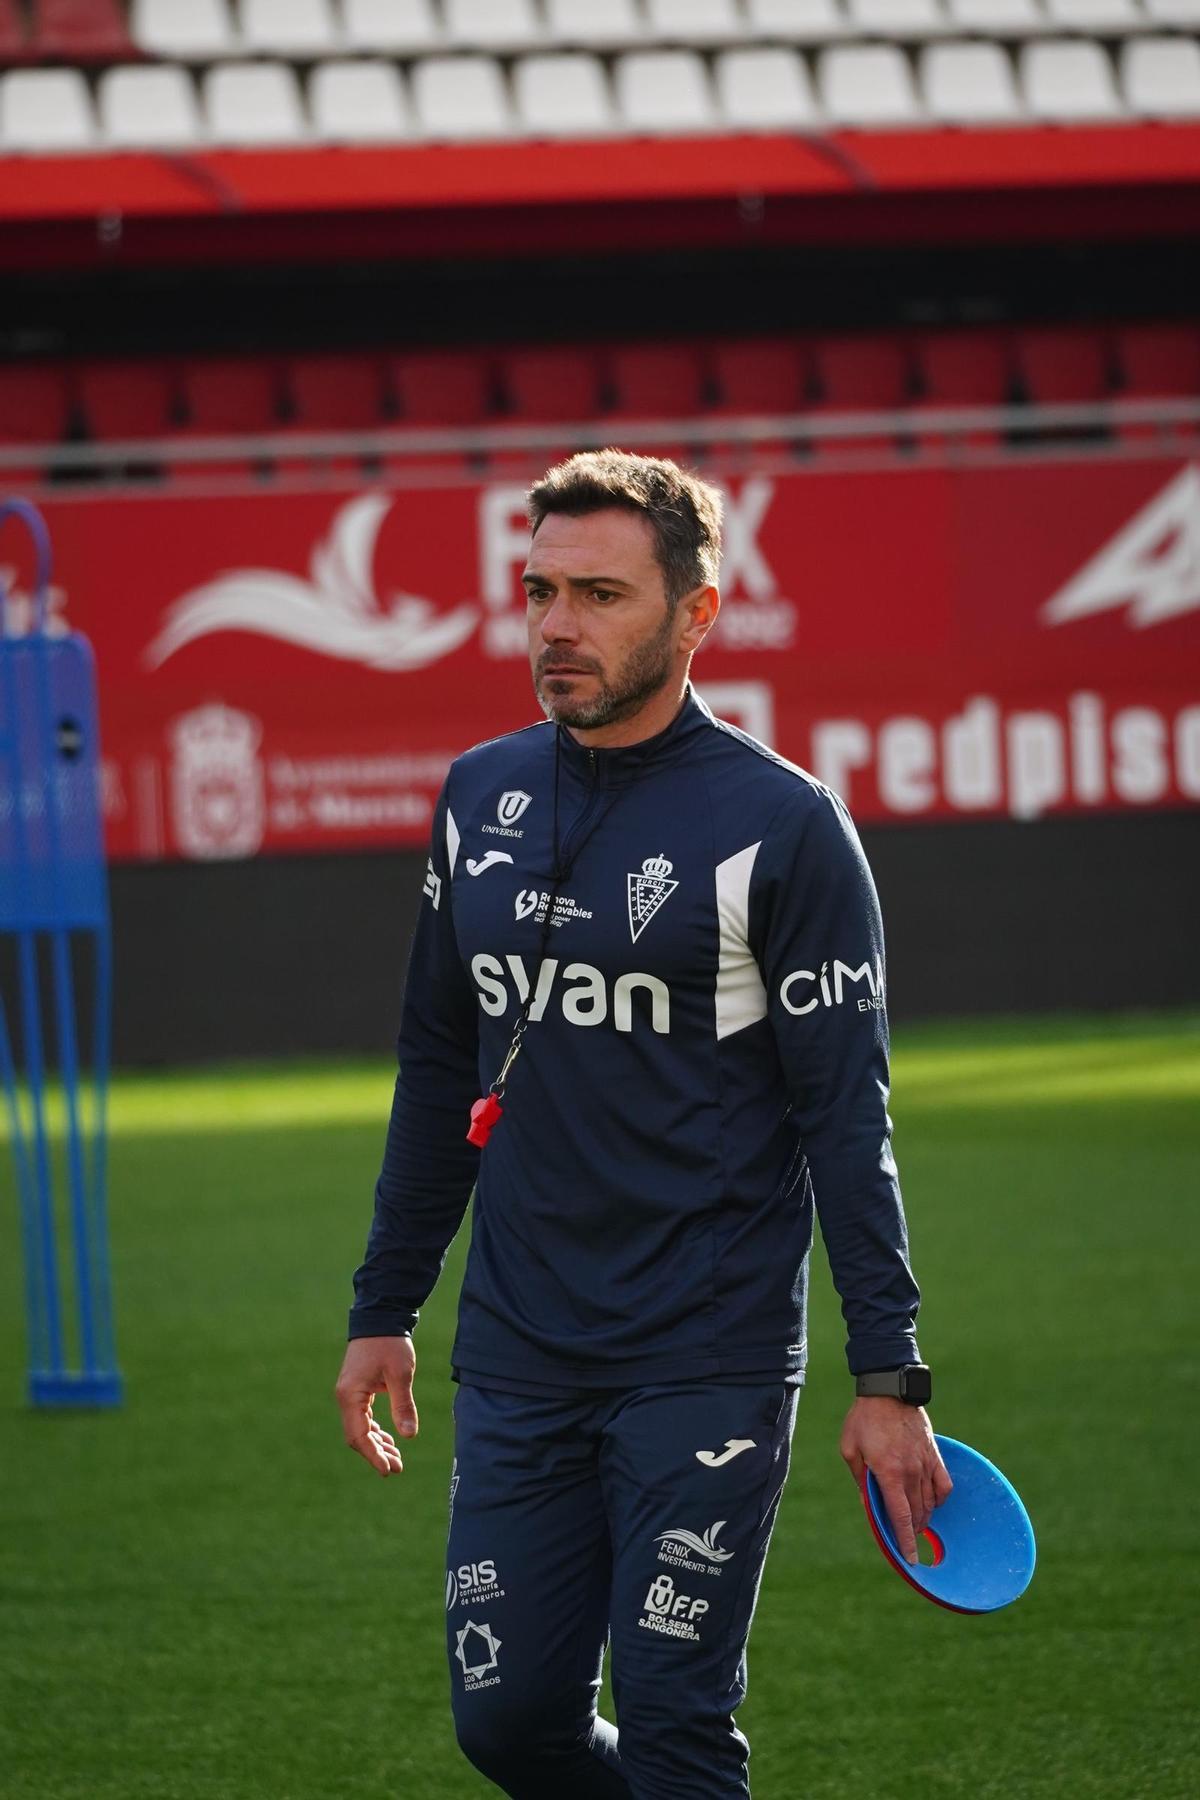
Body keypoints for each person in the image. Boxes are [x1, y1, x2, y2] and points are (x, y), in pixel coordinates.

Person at [335, 449, 951, 1799]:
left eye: (601, 595)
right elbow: (438, 1069)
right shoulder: (477, 795)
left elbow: (845, 1117)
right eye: (539, 592)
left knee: (676, 1722)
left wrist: (889, 1375)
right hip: (520, 1347)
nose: (558, 626)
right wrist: (385, 1304)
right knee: (509, 1726)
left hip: (707, 1350)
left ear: (696, 613)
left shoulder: (784, 826)